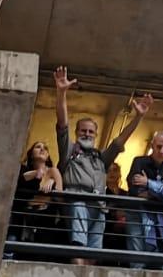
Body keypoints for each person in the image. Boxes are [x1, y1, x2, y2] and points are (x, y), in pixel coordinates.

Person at [52, 68, 152, 261]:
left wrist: (138, 117)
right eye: (83, 131)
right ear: (77, 132)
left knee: (93, 253)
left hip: (99, 208)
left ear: (96, 135)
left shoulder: (101, 158)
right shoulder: (70, 151)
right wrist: (61, 93)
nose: (87, 134)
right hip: (77, 202)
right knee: (78, 247)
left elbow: (119, 141)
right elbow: (62, 124)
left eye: (90, 132)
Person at [127, 129, 163, 259]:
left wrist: (148, 183)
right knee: (137, 260)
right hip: (139, 217)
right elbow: (135, 191)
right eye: (159, 146)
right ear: (152, 145)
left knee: (162, 263)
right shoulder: (139, 162)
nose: (161, 151)